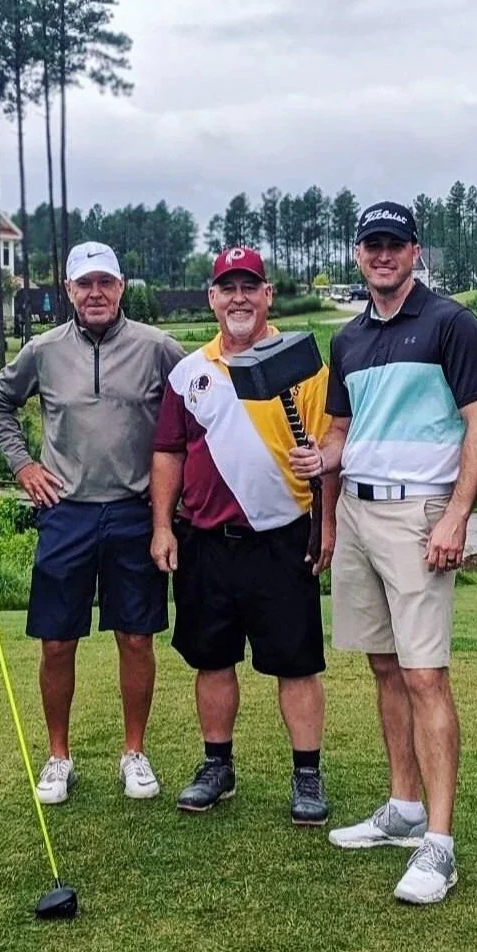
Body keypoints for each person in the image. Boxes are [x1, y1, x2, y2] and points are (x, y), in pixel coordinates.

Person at [291, 201, 477, 903]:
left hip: (420, 514)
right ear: (358, 254)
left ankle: (438, 843)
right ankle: (403, 808)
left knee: (423, 676)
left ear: (414, 250)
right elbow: (341, 435)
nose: (381, 256)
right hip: (355, 508)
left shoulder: (449, 323)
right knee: (383, 665)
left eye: (393, 244)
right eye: (370, 245)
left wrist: (457, 517)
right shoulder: (347, 339)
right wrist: (315, 464)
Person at [0, 241, 184, 804]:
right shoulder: (43, 351)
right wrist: (23, 464)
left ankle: (134, 752)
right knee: (56, 641)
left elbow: (200, 403)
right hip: (65, 512)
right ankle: (58, 756)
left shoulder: (157, 348)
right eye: (84, 284)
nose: (95, 293)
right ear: (69, 291)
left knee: (136, 636)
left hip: (136, 512)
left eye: (105, 282)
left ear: (121, 287)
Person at [150, 246, 336, 825]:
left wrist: (326, 523)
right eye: (227, 288)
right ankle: (217, 765)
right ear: (212, 298)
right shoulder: (190, 373)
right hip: (207, 538)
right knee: (212, 658)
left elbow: (331, 454)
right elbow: (168, 452)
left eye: (249, 287)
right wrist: (162, 526)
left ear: (267, 295)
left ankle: (307, 773)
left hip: (281, 538)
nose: (238, 298)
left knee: (296, 663)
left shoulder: (304, 367)